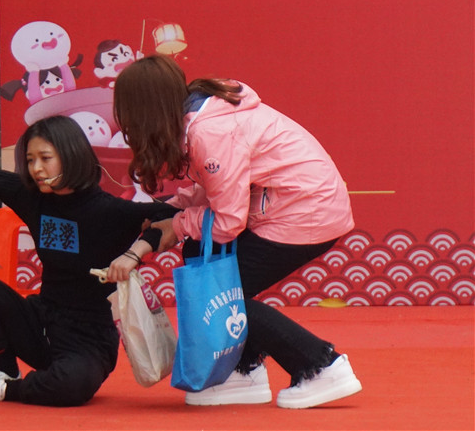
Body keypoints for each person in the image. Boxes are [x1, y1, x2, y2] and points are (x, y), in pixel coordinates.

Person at [108, 54, 363, 409]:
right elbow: (216, 188)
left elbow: (227, 222)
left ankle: (321, 367)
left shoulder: (208, 132)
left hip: (306, 213)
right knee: (200, 258)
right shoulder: (198, 117)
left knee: (219, 297)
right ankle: (243, 370)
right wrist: (174, 210)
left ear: (144, 111)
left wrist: (177, 224)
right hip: (294, 206)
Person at [0, 115, 178, 407]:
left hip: (88, 341)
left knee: (73, 384)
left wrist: (133, 254)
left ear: (71, 155)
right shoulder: (34, 198)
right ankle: (5, 373)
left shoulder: (108, 211)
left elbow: (170, 217)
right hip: (41, 321)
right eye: (30, 160)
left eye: (45, 158)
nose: (36, 168)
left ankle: (6, 390)